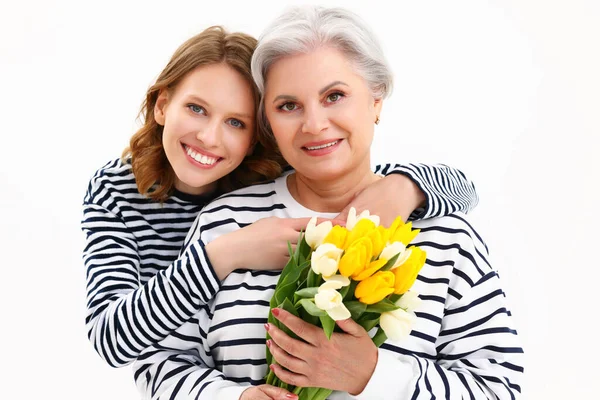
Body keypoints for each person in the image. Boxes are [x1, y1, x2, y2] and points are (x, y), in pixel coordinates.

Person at [132, 6, 523, 400]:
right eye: (288, 105)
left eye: (334, 96)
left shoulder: (447, 238)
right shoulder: (225, 222)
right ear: (267, 121)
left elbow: (499, 389)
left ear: (376, 100)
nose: (314, 124)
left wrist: (372, 376)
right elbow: (162, 362)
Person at [81, 25, 480, 370]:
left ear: (260, 133)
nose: (209, 137)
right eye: (196, 108)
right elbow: (111, 339)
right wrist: (225, 253)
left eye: (236, 122)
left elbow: (464, 188)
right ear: (164, 105)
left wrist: (406, 186)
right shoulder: (116, 190)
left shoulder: (274, 172)